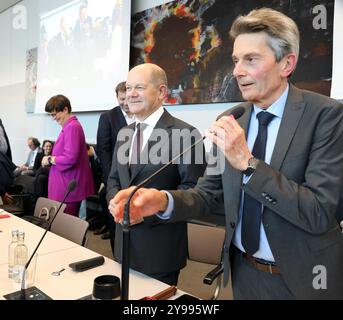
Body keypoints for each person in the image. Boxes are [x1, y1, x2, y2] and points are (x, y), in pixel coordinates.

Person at [110, 9, 343, 299]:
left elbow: (320, 213)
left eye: (251, 59)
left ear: (286, 64)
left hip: (304, 278)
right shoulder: (233, 118)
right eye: (235, 60)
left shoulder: (327, 116)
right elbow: (207, 196)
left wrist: (248, 164)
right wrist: (162, 200)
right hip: (243, 274)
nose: (237, 71)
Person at [106, 63, 206, 285]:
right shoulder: (124, 133)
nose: (130, 94)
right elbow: (114, 179)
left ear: (161, 92)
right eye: (128, 87)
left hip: (160, 252)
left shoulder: (186, 134)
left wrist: (147, 210)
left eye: (139, 87)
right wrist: (114, 203)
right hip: (122, 245)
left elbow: (193, 193)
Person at [42, 95, 94, 216]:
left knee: (66, 228)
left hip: (67, 186)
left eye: (55, 114)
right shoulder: (69, 126)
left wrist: (50, 159)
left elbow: (71, 158)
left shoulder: (72, 127)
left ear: (65, 110)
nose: (54, 118)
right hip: (64, 184)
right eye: (51, 115)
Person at [96, 82, 134, 244]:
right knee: (115, 224)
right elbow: (103, 151)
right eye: (122, 99)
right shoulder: (108, 117)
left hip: (136, 178)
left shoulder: (141, 115)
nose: (125, 103)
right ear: (117, 98)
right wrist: (109, 179)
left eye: (128, 98)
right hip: (115, 179)